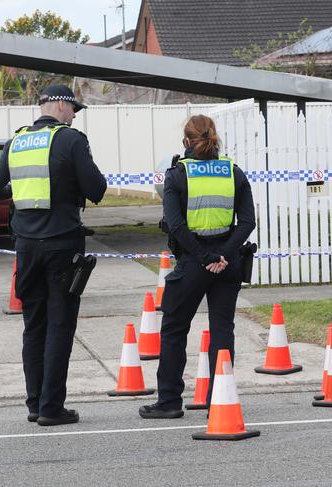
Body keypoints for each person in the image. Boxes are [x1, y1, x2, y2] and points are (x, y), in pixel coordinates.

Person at [0, 84, 107, 426]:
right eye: (74, 109)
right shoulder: (71, 139)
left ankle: (35, 404)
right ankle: (52, 408)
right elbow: (97, 189)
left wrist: (19, 192)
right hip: (62, 245)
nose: (75, 115)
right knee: (60, 326)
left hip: (27, 247)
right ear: (61, 106)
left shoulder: (17, 140)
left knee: (34, 326)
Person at [139, 114, 256, 419]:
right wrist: (223, 256)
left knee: (174, 329)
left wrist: (204, 258)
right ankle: (219, 399)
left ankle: (168, 401)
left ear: (187, 142)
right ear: (214, 138)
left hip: (193, 263)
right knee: (222, 331)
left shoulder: (177, 175)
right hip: (227, 264)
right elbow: (247, 222)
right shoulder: (234, 171)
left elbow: (176, 226)